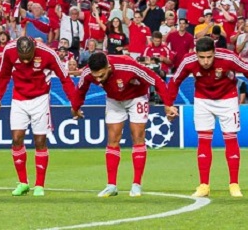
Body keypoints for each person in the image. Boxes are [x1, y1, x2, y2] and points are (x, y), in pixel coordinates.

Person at [168, 37, 248, 198]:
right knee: (204, 140)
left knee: (231, 139)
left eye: (209, 57)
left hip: (228, 99)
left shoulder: (228, 58)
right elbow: (175, 81)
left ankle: (234, 184)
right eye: (202, 57)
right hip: (202, 100)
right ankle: (204, 185)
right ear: (196, 54)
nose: (206, 61)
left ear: (215, 53)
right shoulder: (188, 61)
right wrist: (168, 103)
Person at [74, 51, 176, 197]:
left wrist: (168, 104)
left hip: (137, 97)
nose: (99, 80)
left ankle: (136, 184)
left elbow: (156, 80)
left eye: (101, 75)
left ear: (108, 67)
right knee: (113, 138)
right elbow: (81, 90)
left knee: (137, 137)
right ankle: (111, 185)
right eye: (96, 76)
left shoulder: (128, 66)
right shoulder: (88, 73)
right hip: (114, 100)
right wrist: (75, 107)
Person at [0, 36, 82, 196]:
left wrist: (74, 104)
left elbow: (65, 79)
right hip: (18, 98)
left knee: (40, 140)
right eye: (22, 58)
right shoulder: (9, 51)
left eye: (29, 57)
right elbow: (4, 76)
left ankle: (39, 185)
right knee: (17, 138)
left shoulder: (48, 54)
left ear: (34, 48)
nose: (25, 61)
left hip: (40, 99)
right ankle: (23, 183)